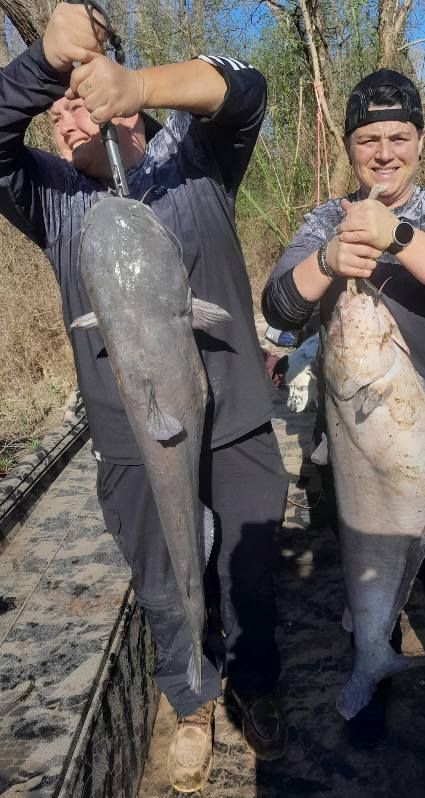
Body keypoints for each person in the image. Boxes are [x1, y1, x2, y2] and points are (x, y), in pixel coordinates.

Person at [0, 3, 288, 791]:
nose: (66, 117)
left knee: (250, 576)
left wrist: (141, 86)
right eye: (53, 110)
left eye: (78, 96)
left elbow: (246, 89)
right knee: (164, 584)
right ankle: (192, 702)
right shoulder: (52, 198)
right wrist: (39, 66)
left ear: (119, 92)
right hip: (132, 441)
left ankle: (257, 686)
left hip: (234, 426)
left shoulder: (194, 157)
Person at [262, 69, 425, 747]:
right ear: (349, 147)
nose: (383, 153)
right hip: (356, 440)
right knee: (367, 574)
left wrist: (397, 236)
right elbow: (278, 305)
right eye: (367, 139)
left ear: (419, 142)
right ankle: (371, 674)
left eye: (398, 137)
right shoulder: (325, 220)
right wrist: (328, 259)